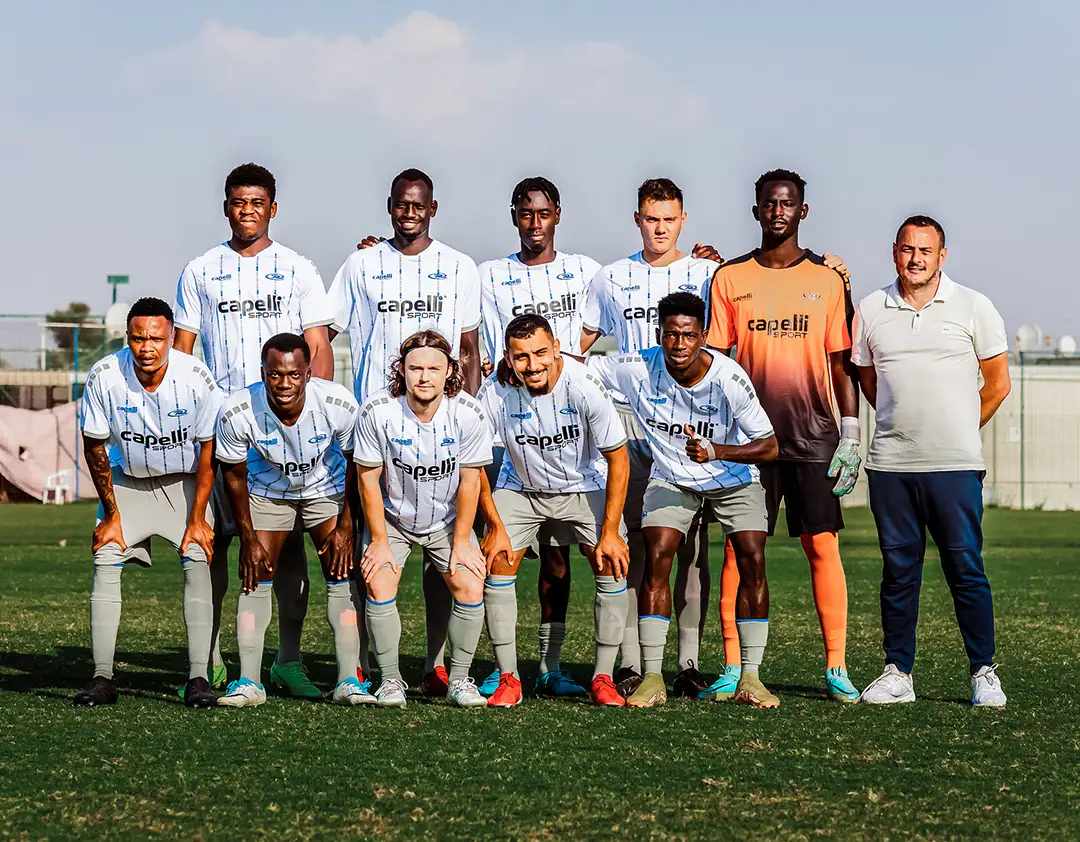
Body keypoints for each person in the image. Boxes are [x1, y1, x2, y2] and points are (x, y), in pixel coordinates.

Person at [173, 162, 336, 699]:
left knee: (288, 551)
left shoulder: (297, 268)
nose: (247, 211)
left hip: (286, 432)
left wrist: (318, 420)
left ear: (272, 208)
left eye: (257, 203)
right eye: (238, 202)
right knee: (216, 545)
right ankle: (213, 659)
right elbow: (183, 353)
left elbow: (318, 347)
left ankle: (286, 661)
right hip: (223, 433)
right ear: (226, 206)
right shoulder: (201, 270)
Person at [704, 169, 862, 703]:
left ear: (802, 211)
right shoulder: (728, 279)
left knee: (822, 546)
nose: (778, 211)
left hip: (814, 435)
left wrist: (852, 431)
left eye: (787, 203)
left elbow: (842, 364)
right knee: (740, 550)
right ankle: (733, 665)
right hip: (748, 441)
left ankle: (836, 666)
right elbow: (717, 365)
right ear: (756, 211)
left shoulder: (827, 280)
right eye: (769, 203)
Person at [330, 168, 482, 698]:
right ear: (390, 207)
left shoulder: (459, 267)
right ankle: (366, 666)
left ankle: (438, 664)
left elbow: (467, 348)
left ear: (432, 208)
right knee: (370, 546)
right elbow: (326, 329)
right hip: (376, 425)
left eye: (418, 205)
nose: (409, 212)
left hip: (440, 422)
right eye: (401, 204)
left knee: (446, 550)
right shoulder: (362, 263)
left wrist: (468, 410)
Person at [852, 216, 1010, 707]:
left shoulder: (974, 306)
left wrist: (959, 429)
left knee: (966, 567)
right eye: (907, 249)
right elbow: (867, 378)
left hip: (955, 467)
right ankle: (898, 671)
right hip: (891, 468)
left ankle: (983, 671)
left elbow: (998, 383)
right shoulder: (871, 308)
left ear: (942, 256)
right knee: (899, 572)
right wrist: (905, 426)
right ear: (894, 251)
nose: (916, 258)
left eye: (926, 250)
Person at [595, 292, 780, 708]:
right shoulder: (637, 365)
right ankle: (653, 676)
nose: (679, 344)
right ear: (659, 333)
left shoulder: (729, 378)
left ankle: (751, 677)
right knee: (658, 551)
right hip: (673, 477)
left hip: (731, 476)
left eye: (688, 335)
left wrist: (718, 451)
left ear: (704, 336)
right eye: (671, 335)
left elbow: (769, 447)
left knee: (752, 555)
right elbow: (581, 367)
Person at [578, 177, 721, 699]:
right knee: (639, 544)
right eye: (650, 218)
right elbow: (578, 345)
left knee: (692, 548)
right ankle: (637, 662)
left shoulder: (708, 273)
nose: (659, 228)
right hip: (632, 426)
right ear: (636, 218)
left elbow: (725, 345)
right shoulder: (611, 277)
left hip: (692, 426)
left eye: (669, 219)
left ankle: (688, 663)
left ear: (683, 220)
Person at [473, 176, 603, 699]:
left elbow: (640, 304)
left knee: (556, 558)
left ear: (557, 215)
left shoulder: (588, 272)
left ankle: (549, 665)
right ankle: (499, 665)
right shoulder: (488, 275)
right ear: (513, 216)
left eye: (543, 213)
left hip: (570, 440)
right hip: (513, 436)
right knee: (493, 552)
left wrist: (704, 263)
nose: (534, 222)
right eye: (525, 213)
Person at [74, 297, 223, 708]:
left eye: (156, 338)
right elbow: (95, 447)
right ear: (128, 337)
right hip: (128, 483)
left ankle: (198, 678)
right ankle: (102, 677)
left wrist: (197, 519)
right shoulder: (105, 374)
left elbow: (209, 452)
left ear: (171, 337)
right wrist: (111, 515)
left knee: (197, 554)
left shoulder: (196, 377)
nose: (147, 347)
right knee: (106, 555)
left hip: (184, 484)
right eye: (138, 338)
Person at [477, 314, 631, 707]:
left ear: (558, 348)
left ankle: (603, 677)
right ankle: (509, 678)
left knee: (610, 561)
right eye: (521, 357)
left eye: (540, 353)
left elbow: (618, 457)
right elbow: (471, 460)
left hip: (584, 485)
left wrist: (611, 531)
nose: (532, 365)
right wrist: (493, 524)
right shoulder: (496, 391)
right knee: (497, 558)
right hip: (522, 487)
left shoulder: (584, 386)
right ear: (508, 359)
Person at [214, 334, 368, 708]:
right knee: (255, 576)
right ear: (263, 373)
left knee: (340, 573)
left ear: (308, 373)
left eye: (294, 375)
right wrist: (247, 537)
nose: (284, 384)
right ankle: (249, 682)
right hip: (267, 490)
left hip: (325, 488)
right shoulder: (237, 410)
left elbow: (356, 464)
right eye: (275, 375)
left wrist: (347, 525)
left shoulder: (338, 403)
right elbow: (233, 475)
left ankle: (349, 679)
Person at [354, 331, 493, 708]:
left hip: (447, 521)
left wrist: (462, 540)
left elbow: (470, 481)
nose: (424, 376)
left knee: (469, 585)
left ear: (450, 370)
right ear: (402, 369)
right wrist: (379, 540)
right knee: (379, 583)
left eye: (434, 368)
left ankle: (460, 680)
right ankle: (390, 681)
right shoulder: (376, 410)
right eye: (416, 368)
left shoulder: (469, 412)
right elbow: (367, 478)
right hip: (393, 520)